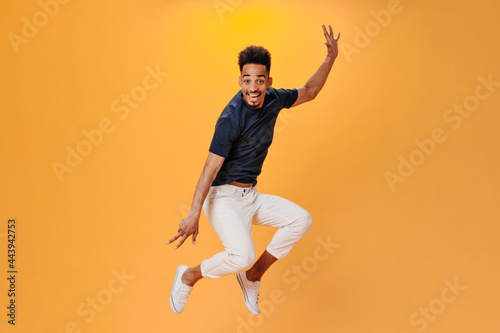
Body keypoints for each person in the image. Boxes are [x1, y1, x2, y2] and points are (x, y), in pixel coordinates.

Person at [168, 24, 340, 315]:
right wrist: (194, 212)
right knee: (242, 254)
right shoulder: (231, 118)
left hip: (251, 196)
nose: (253, 88)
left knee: (301, 220)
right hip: (222, 198)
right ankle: (188, 275)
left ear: (268, 81)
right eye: (247, 80)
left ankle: (252, 277)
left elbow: (310, 91)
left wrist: (330, 59)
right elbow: (209, 169)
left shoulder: (274, 99)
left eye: (259, 81)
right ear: (240, 81)